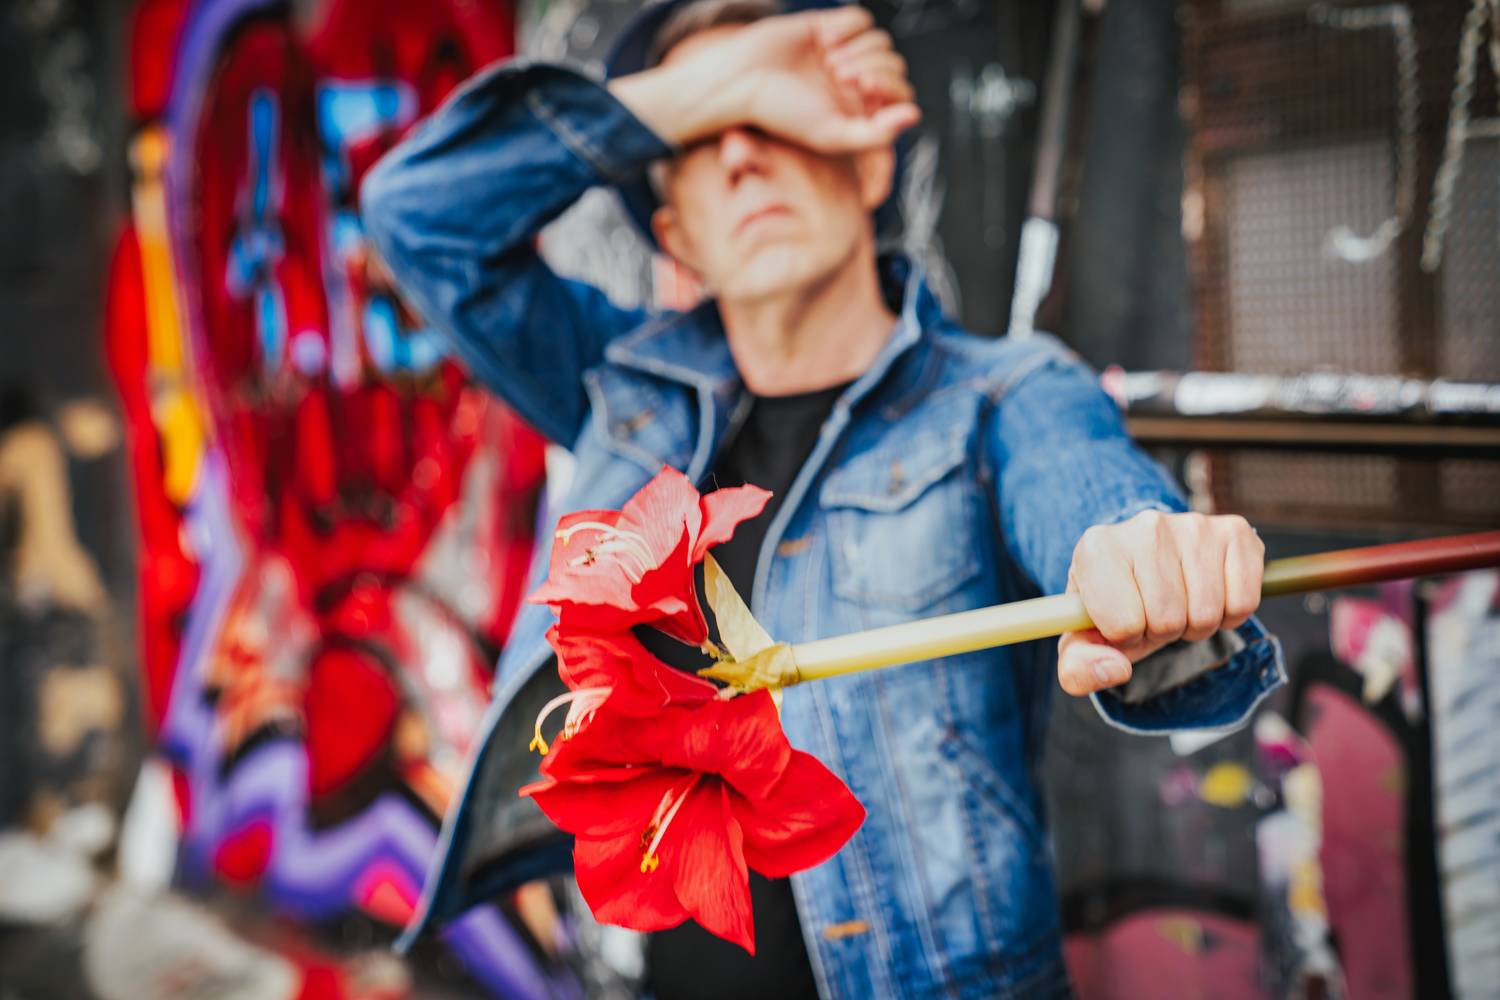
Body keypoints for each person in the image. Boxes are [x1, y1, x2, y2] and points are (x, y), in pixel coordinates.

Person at [360, 1, 1285, 996]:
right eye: (705, 135)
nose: (745, 157)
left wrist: (1145, 563)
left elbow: (1090, 495)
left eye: (779, 118)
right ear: (675, 233)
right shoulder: (615, 391)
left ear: (870, 163)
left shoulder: (1003, 395)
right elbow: (418, 216)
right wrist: (741, 73)